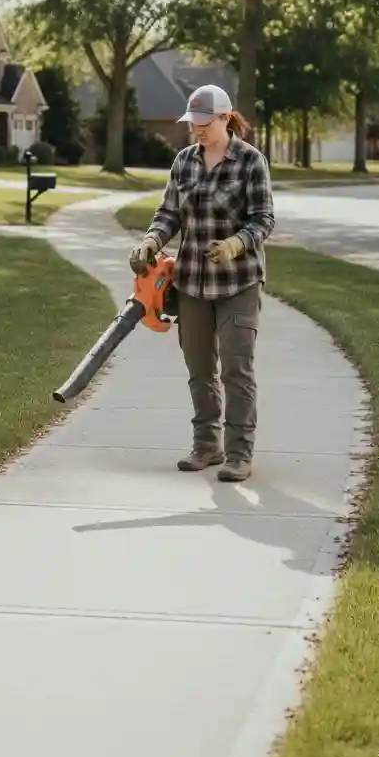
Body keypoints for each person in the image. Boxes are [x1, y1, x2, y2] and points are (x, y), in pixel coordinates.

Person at [128, 84, 275, 482]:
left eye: (203, 123)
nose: (196, 129)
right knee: (199, 368)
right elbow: (168, 214)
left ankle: (240, 454)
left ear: (225, 119)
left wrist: (235, 244)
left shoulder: (250, 161)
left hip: (238, 281)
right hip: (191, 281)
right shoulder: (184, 162)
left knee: (236, 368)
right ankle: (207, 446)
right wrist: (150, 241)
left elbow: (264, 219)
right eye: (191, 122)